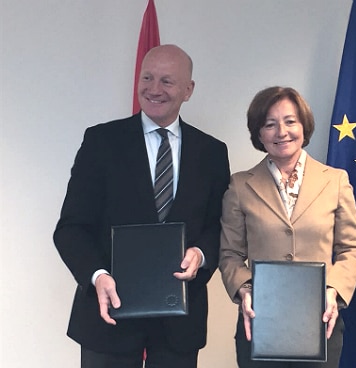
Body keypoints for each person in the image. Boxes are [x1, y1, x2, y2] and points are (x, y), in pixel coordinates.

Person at [53, 44, 230, 368]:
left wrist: (201, 254)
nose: (153, 89)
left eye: (167, 81)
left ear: (188, 90)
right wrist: (97, 276)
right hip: (107, 318)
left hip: (179, 323)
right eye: (147, 77)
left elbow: (218, 226)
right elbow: (71, 228)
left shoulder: (212, 152)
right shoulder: (100, 142)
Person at [218, 86, 356, 368]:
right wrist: (245, 291)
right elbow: (230, 255)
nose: (281, 131)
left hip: (320, 320)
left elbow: (351, 249)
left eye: (289, 121)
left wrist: (333, 289)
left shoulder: (335, 181)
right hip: (261, 321)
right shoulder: (240, 185)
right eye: (269, 124)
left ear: (304, 126)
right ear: (258, 133)